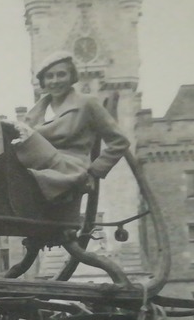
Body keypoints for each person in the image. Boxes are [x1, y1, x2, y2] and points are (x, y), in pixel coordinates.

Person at [12, 50, 132, 209]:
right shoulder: (36, 112)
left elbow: (120, 141)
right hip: (38, 167)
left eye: (61, 74)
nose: (55, 81)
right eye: (49, 76)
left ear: (71, 77)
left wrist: (94, 171)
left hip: (67, 169)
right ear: (43, 81)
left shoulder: (86, 103)